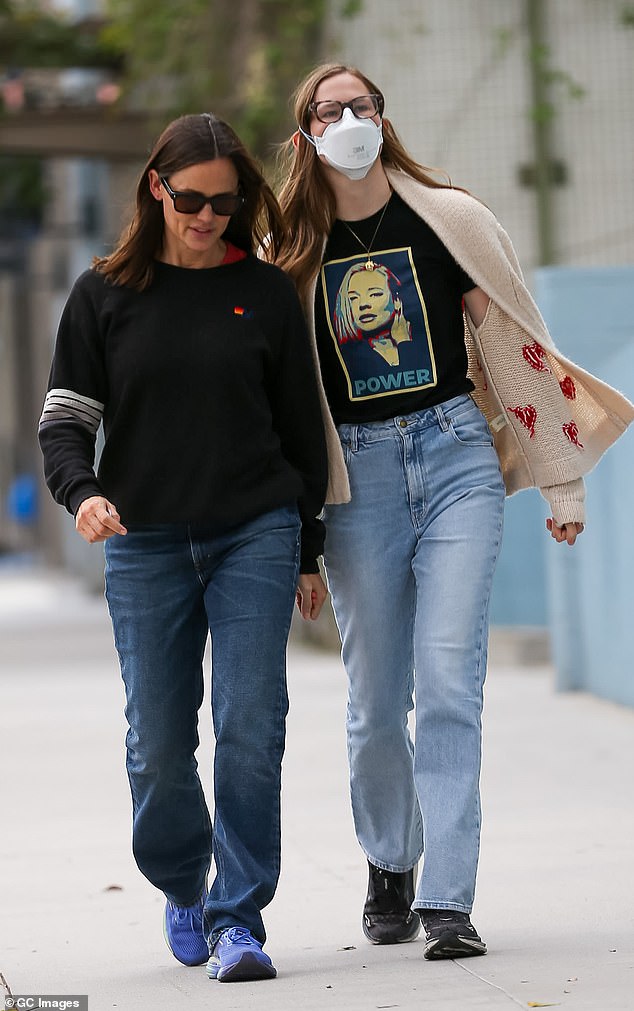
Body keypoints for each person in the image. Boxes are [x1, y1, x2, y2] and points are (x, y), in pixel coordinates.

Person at [272, 63, 634, 960]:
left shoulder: (449, 217)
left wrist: (563, 477)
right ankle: (389, 861)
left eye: (363, 105)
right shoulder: (289, 244)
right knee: (373, 696)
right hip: (355, 482)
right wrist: (299, 538)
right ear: (305, 132)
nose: (349, 118)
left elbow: (514, 349)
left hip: (454, 454)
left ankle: (448, 898)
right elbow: (277, 393)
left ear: (384, 119)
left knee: (447, 678)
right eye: (330, 109)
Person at [38, 112, 328, 983]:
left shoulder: (267, 292)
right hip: (146, 542)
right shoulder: (102, 294)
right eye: (191, 199)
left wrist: (307, 548)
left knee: (250, 725)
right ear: (156, 189)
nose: (207, 216)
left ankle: (240, 917)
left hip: (255, 531)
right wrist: (82, 494)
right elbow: (63, 426)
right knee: (158, 743)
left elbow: (301, 434)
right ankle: (182, 883)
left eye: (225, 202)